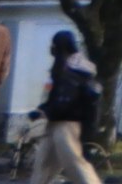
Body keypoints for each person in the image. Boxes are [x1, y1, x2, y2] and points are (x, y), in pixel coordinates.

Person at [36, 34, 105, 184]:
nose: (51, 49)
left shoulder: (70, 71)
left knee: (75, 164)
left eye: (54, 45)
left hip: (67, 125)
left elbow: (65, 99)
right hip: (58, 122)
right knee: (43, 164)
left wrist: (46, 111)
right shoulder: (78, 67)